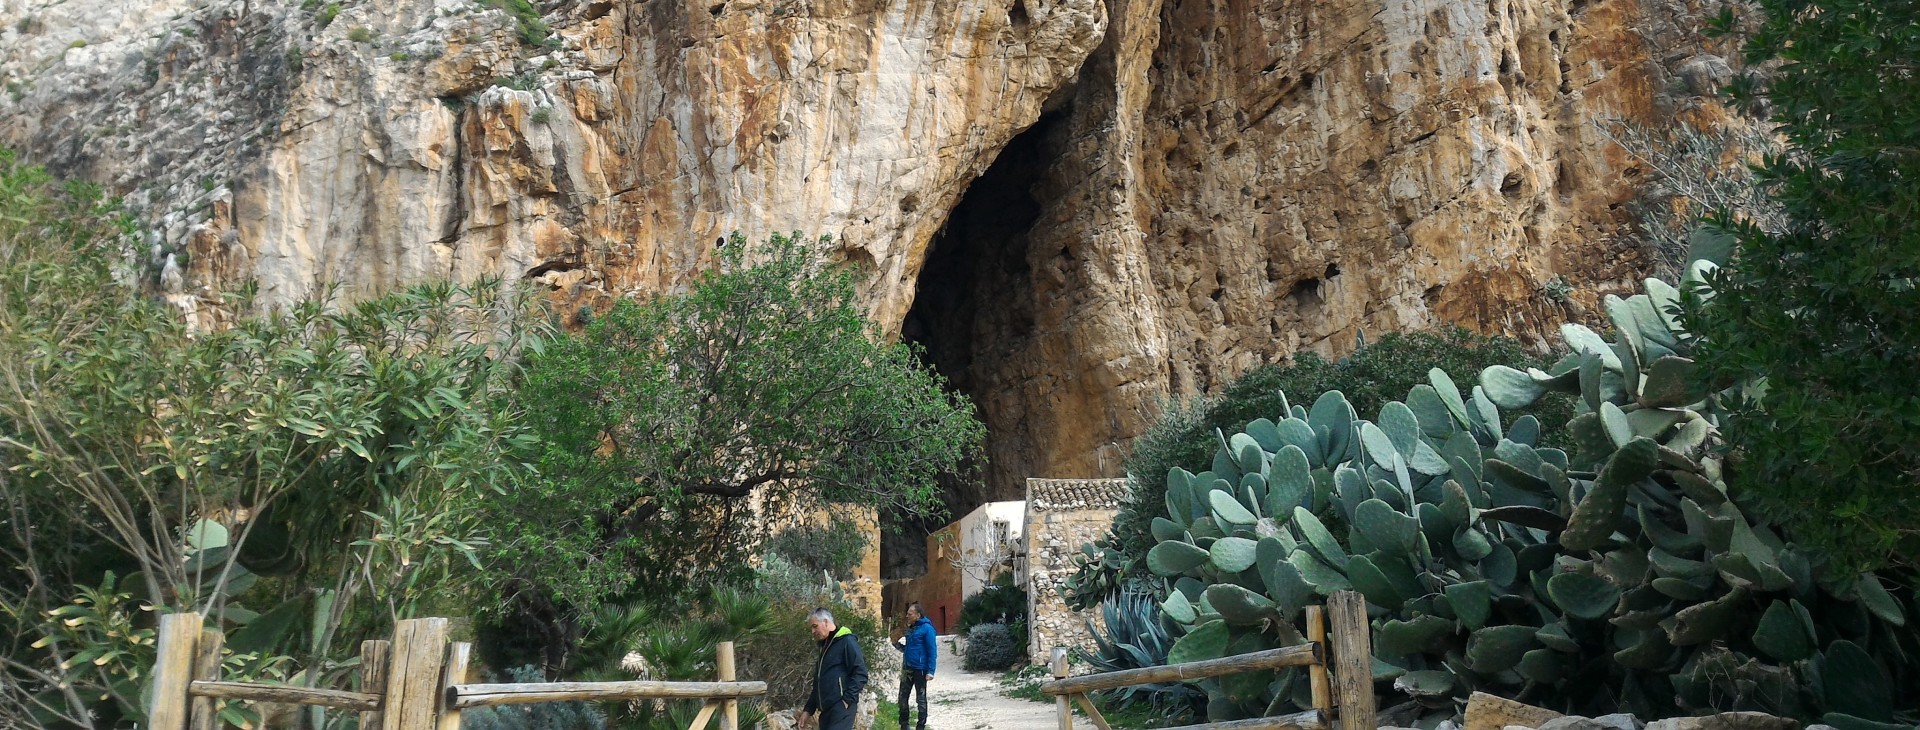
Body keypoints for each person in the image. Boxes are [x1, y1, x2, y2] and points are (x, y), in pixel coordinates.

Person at [800, 607, 868, 730]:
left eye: (815, 626)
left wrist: (847, 700)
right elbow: (819, 683)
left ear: (826, 622)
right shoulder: (825, 646)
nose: (813, 631)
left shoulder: (847, 641)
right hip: (826, 711)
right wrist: (808, 710)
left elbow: (860, 673)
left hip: (841, 709)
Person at [891, 603, 937, 730]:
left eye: (910, 614)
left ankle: (920, 726)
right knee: (902, 697)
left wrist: (931, 670)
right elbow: (907, 649)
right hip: (907, 668)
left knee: (920, 699)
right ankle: (904, 725)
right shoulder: (910, 628)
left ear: (918, 615)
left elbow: (932, 650)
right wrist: (895, 643)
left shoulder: (927, 629)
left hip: (920, 669)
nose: (907, 616)